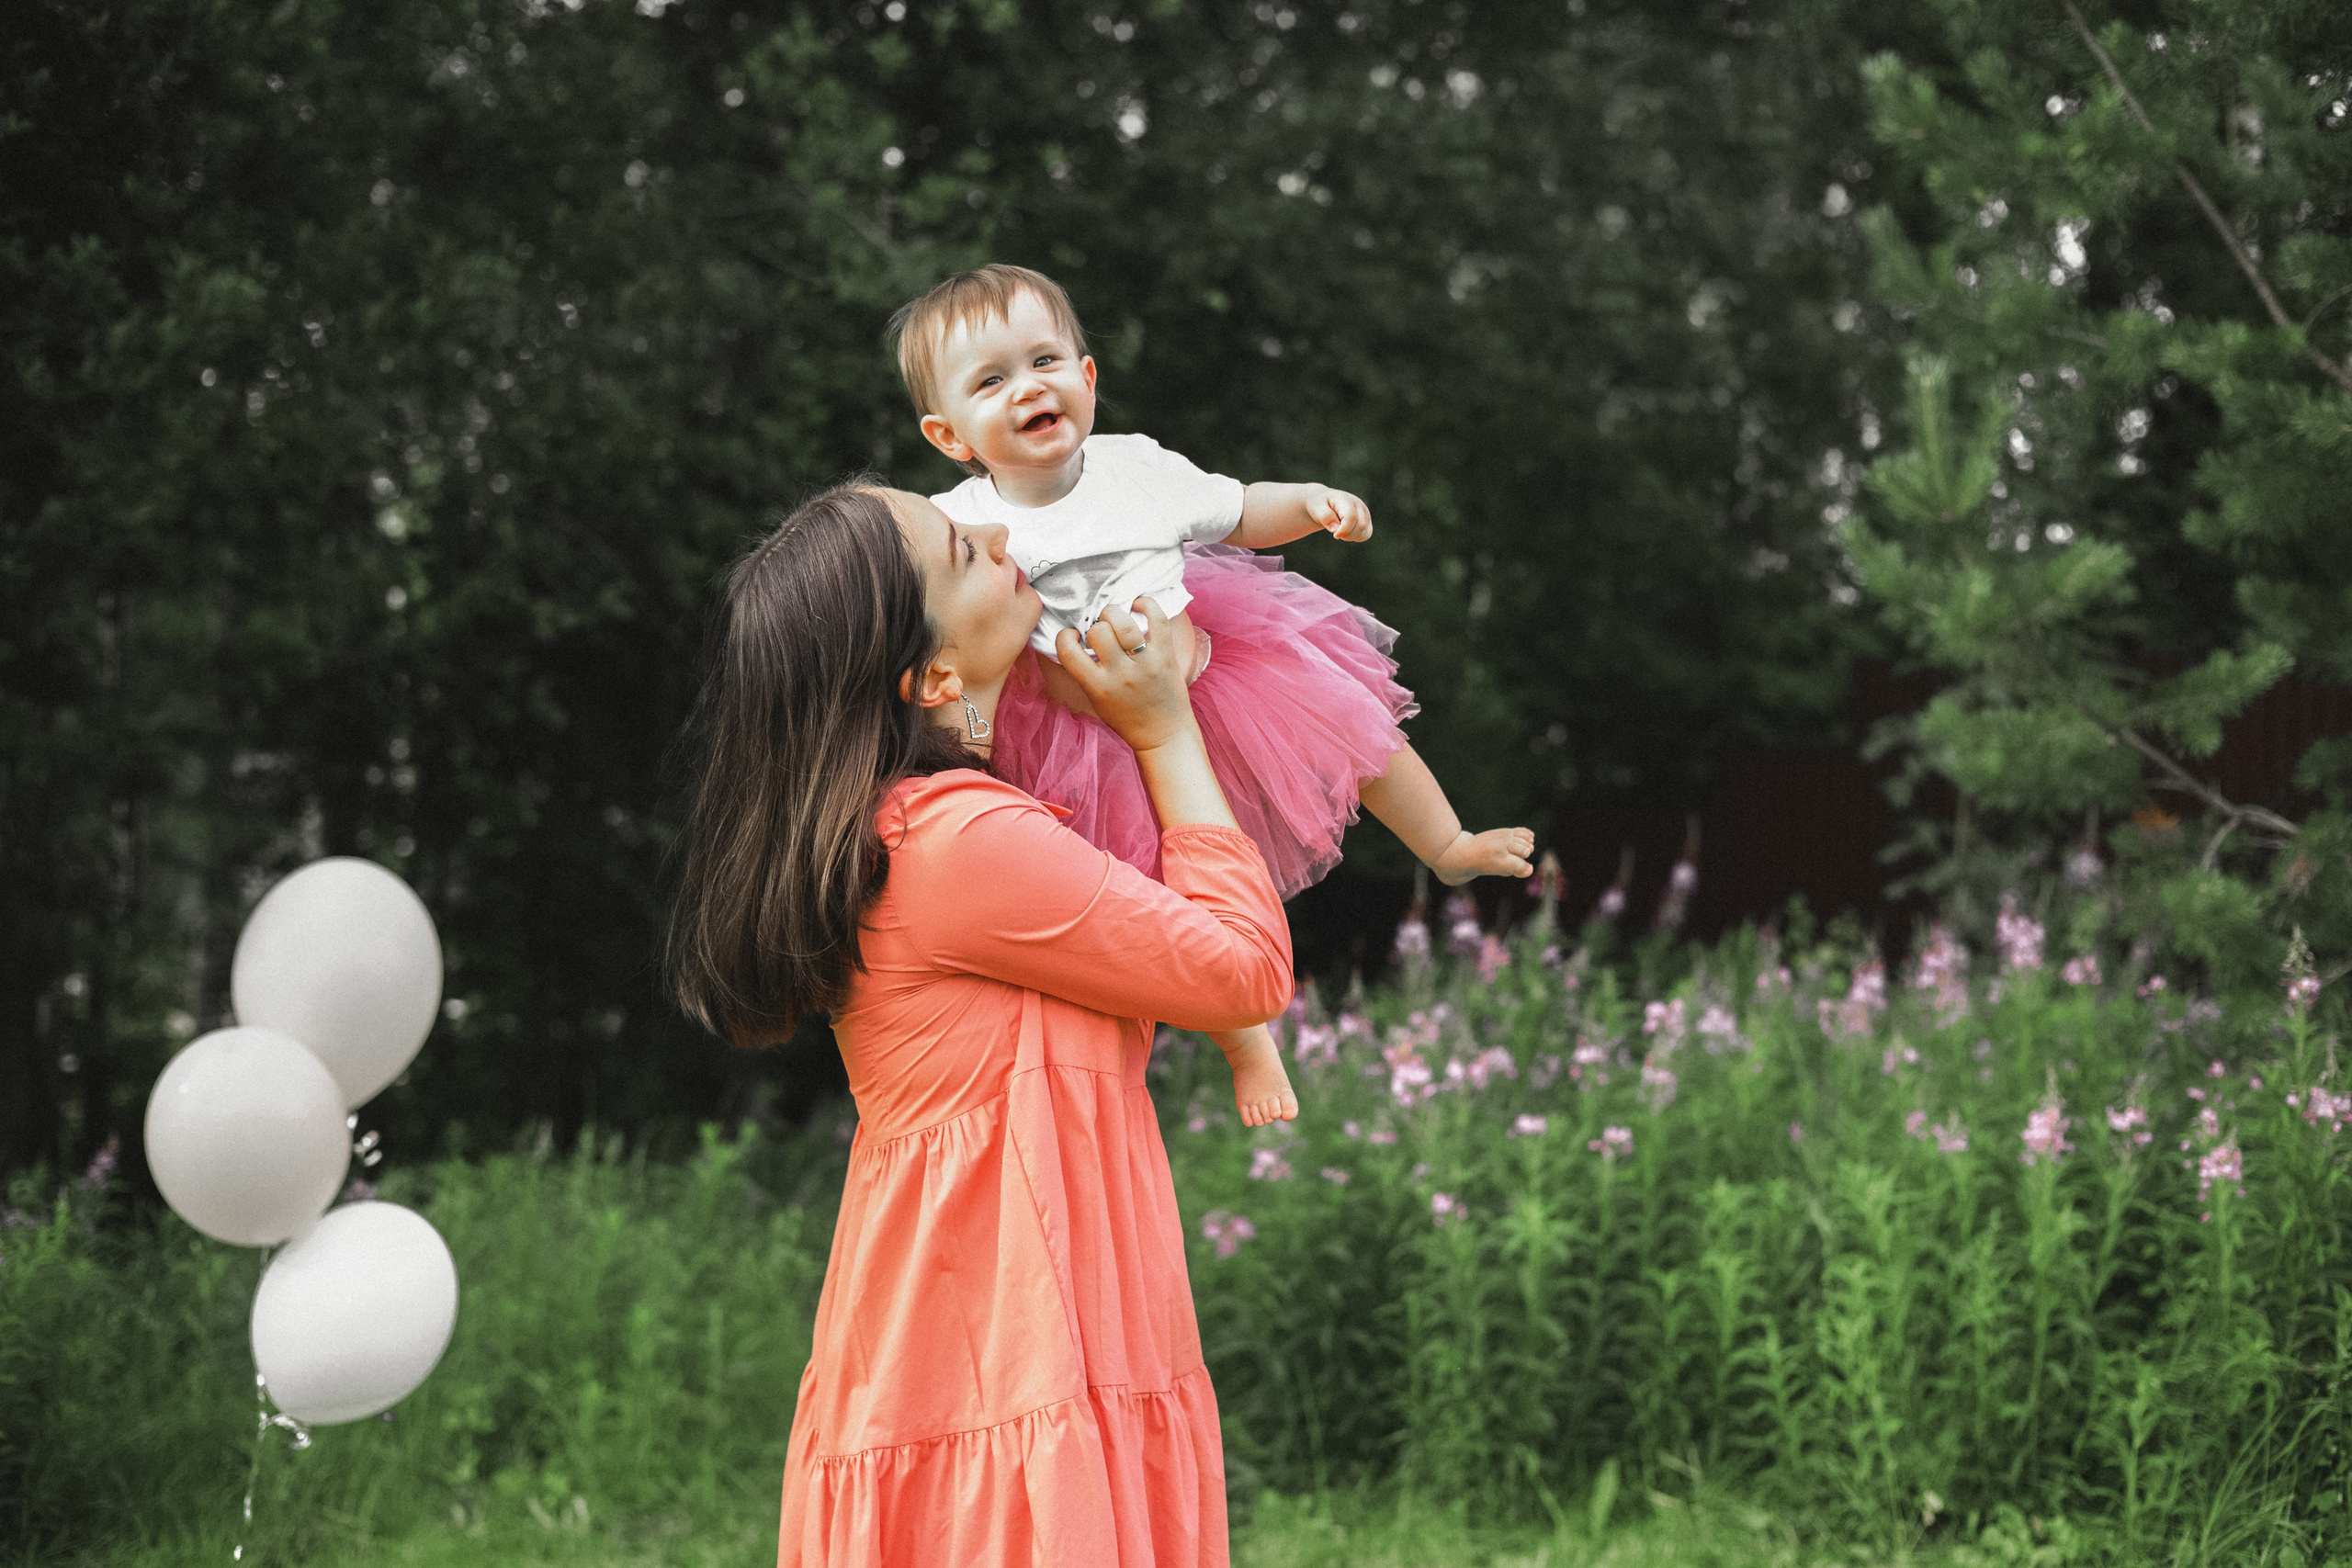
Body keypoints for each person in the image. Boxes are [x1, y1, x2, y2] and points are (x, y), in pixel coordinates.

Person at [668, 480, 1290, 1567]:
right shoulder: (963, 846)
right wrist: (1164, 730)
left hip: (983, 1338)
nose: (1005, 535)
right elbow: (1241, 972)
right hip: (1007, 1350)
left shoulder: (925, 831)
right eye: (964, 551)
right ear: (931, 678)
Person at [889, 265, 1535, 1127]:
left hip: (1208, 676)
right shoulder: (963, 520)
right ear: (949, 434)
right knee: (1161, 893)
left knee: (1354, 730)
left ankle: (1447, 840)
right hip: (1079, 732)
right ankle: (1247, 1039)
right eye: (992, 381)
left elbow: (1236, 511)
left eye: (1045, 361)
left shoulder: (1137, 468)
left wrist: (1308, 503)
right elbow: (935, 621)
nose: (1028, 388)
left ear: (1087, 379)